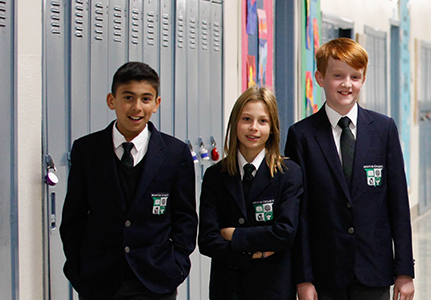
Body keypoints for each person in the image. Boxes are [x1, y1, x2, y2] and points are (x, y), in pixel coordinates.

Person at [286, 37, 415, 300]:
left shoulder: (383, 130)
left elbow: (398, 206)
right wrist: (303, 278)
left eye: (355, 77)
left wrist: (404, 272)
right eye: (338, 76)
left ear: (363, 78)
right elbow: (300, 214)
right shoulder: (302, 136)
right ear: (320, 78)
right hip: (325, 274)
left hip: (374, 269)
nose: (347, 84)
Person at [59, 61, 198, 299]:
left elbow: (185, 217)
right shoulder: (87, 150)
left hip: (155, 280)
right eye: (128, 97)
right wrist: (78, 268)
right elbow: (73, 217)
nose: (136, 107)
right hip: (99, 280)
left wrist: (176, 264)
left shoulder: (175, 154)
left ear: (157, 104)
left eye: (146, 99)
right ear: (111, 100)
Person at [198, 86, 304, 300]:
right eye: (246, 119)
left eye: (262, 121)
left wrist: (233, 235)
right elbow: (208, 240)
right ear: (235, 123)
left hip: (272, 289)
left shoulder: (288, 173)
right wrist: (255, 254)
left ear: (272, 128)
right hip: (228, 290)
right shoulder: (215, 175)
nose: (254, 128)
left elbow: (284, 233)